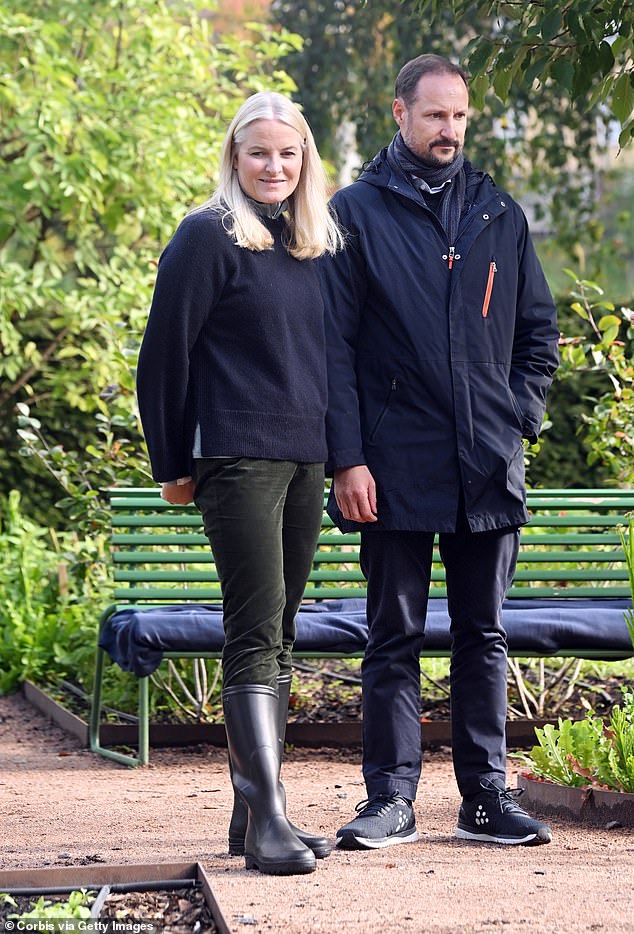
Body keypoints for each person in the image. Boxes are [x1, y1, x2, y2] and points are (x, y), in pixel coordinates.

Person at [320, 54, 560, 849]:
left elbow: (537, 335)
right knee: (392, 634)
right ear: (400, 114)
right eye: (434, 116)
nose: (448, 130)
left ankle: (485, 797)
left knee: (482, 634)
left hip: (487, 464)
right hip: (392, 466)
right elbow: (334, 350)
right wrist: (348, 458)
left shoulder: (501, 214)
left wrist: (516, 417)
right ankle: (390, 799)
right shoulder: (354, 213)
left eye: (459, 116)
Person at [136, 91, 343, 875]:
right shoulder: (206, 236)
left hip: (304, 458)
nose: (274, 166)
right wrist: (172, 465)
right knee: (255, 631)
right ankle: (270, 827)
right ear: (235, 156)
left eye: (288, 154)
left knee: (279, 634)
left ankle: (252, 818)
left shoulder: (311, 244)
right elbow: (164, 359)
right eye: (259, 152)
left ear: (305, 160)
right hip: (237, 455)